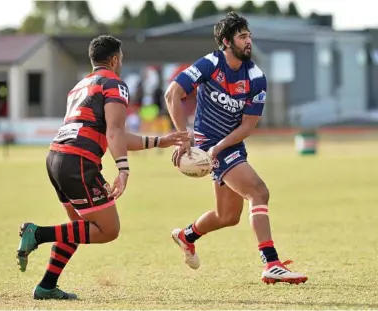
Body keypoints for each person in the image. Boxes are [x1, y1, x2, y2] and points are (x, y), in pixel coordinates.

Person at [16, 35, 189, 300]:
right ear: (115, 59)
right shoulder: (114, 84)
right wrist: (123, 170)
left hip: (56, 158)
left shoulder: (80, 86)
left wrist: (159, 141)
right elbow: (115, 130)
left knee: (76, 227)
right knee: (108, 230)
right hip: (78, 160)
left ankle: (47, 285)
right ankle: (37, 233)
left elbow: (114, 134)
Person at [164, 12, 308, 285]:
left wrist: (219, 148)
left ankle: (186, 236)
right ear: (226, 41)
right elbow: (173, 93)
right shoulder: (210, 63)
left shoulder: (256, 77)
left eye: (249, 35)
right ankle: (272, 263)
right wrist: (185, 138)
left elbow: (248, 125)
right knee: (258, 191)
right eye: (242, 36)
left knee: (227, 216)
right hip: (206, 141)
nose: (248, 41)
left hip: (228, 145)